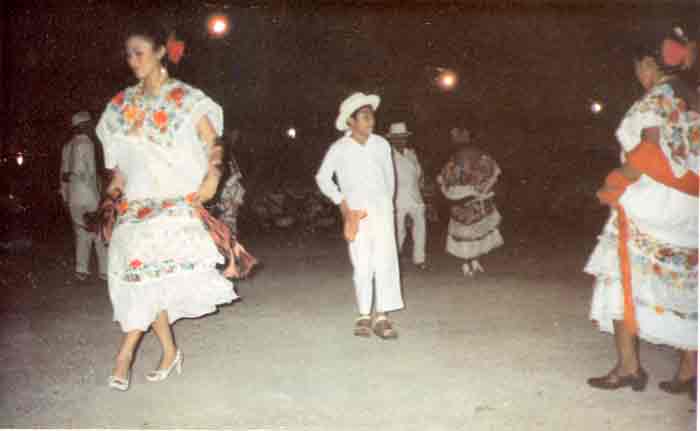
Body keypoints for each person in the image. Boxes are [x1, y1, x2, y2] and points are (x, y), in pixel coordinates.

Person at [96, 20, 239, 391]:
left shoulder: (186, 99)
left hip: (174, 203)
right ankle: (170, 351)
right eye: (127, 54)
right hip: (136, 206)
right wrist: (110, 196)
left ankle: (123, 355)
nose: (132, 60)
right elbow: (121, 167)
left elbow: (214, 142)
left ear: (161, 52)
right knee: (143, 279)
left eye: (139, 52)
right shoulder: (119, 106)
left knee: (150, 277)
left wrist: (212, 176)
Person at [585, 28, 698, 400]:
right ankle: (688, 372)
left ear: (649, 63)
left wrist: (615, 182)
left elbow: (649, 152)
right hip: (689, 205)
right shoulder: (691, 99)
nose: (638, 75)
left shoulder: (655, 99)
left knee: (619, 275)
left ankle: (628, 367)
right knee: (687, 284)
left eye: (638, 67)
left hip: (651, 201)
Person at [316, 92, 403, 339]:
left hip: (383, 212)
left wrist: (387, 206)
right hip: (356, 214)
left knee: (385, 261)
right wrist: (342, 204)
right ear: (350, 122)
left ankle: (383, 315)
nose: (371, 122)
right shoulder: (339, 148)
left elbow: (390, 179)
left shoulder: (381, 144)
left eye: (372, 116)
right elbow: (322, 178)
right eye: (365, 117)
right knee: (362, 263)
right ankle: (364, 314)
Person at [437, 128, 503, 276]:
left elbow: (445, 179)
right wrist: (481, 190)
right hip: (473, 199)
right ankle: (472, 262)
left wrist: (454, 190)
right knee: (475, 231)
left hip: (462, 199)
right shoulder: (478, 155)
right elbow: (494, 172)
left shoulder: (455, 158)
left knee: (467, 232)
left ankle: (468, 263)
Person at [60, 111, 108, 281]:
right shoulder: (87, 143)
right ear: (82, 126)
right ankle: (104, 271)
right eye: (88, 124)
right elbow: (90, 173)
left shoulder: (67, 146)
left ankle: (81, 270)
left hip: (73, 196)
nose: (91, 127)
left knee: (80, 232)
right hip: (88, 194)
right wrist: (99, 195)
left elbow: (63, 175)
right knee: (97, 232)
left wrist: (65, 197)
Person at [387, 122, 427, 270]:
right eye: (397, 138)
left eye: (403, 137)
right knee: (398, 230)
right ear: (391, 139)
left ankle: (419, 259)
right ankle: (395, 258)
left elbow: (418, 174)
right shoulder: (387, 155)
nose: (400, 140)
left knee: (420, 228)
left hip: (415, 197)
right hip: (397, 198)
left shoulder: (412, 153)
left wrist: (421, 186)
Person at [211, 130, 246, 236]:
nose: (235, 137)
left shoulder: (235, 151)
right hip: (225, 187)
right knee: (225, 216)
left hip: (233, 187)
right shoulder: (224, 149)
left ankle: (229, 238)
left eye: (237, 135)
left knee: (230, 216)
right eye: (234, 134)